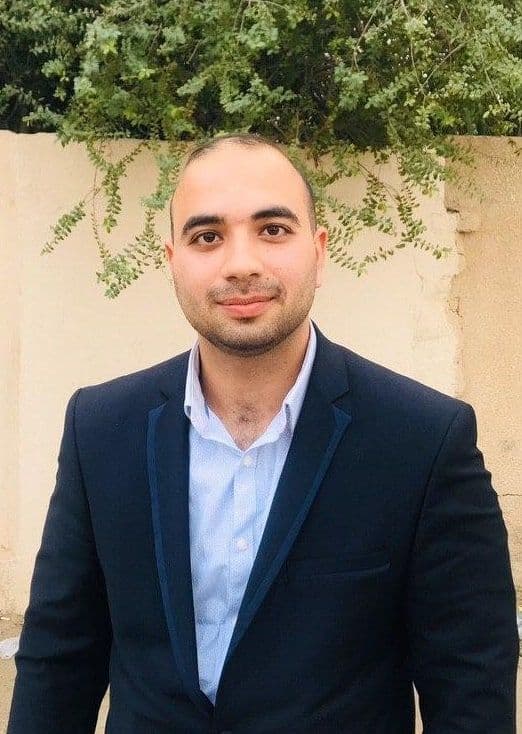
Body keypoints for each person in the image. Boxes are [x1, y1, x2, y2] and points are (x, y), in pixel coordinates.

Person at [8, 133, 519, 734]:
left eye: (273, 229)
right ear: (172, 260)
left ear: (319, 251)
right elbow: (58, 661)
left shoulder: (424, 441)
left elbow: (470, 686)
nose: (242, 263)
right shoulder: (99, 429)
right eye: (207, 236)